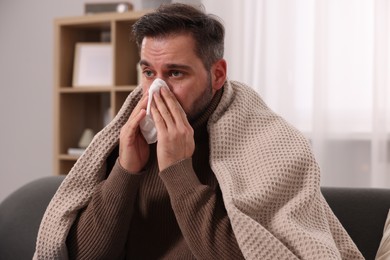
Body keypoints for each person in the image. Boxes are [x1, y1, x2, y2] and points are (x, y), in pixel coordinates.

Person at [34, 3, 364, 259]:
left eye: (175, 73)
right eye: (149, 72)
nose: (157, 90)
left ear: (217, 74)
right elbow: (84, 256)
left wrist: (180, 173)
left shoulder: (273, 143)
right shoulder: (131, 135)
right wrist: (125, 170)